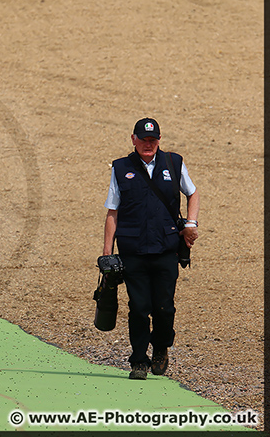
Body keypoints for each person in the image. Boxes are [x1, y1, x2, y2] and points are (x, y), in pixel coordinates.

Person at [103, 117, 199, 380]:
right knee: (138, 307)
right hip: (133, 250)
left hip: (166, 249)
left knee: (164, 307)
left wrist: (191, 223)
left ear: (159, 140)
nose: (149, 144)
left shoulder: (173, 162)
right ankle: (138, 361)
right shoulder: (121, 168)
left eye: (153, 140)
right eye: (144, 140)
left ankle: (161, 348)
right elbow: (113, 212)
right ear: (133, 139)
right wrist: (107, 253)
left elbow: (193, 193)